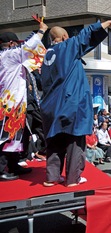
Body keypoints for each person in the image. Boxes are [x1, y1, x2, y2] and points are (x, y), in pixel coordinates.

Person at [40, 19, 111, 187]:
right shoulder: (66, 46)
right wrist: (105, 24)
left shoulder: (46, 55)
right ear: (63, 37)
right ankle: (72, 179)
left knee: (55, 141)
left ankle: (52, 177)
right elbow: (85, 36)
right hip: (69, 103)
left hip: (50, 106)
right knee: (75, 141)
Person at [0, 19, 47, 180]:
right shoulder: (8, 55)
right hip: (9, 103)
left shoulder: (5, 56)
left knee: (15, 136)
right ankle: (2, 169)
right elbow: (27, 47)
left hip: (14, 102)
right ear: (12, 43)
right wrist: (41, 31)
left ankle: (13, 165)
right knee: (6, 136)